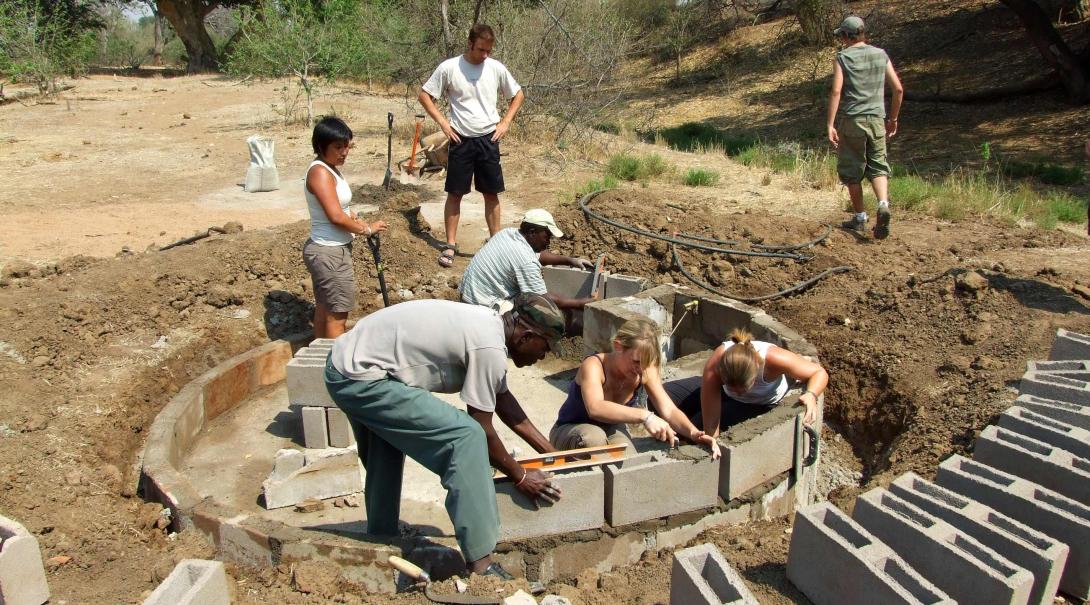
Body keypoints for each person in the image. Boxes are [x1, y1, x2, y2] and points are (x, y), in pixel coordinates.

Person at [325, 293, 566, 578]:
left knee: (385, 449)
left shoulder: (490, 329)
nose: (543, 356)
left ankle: (381, 536)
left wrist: (555, 455)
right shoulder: (489, 346)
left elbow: (505, 403)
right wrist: (521, 476)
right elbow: (483, 430)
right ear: (526, 337)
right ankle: (482, 563)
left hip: (348, 364)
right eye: (546, 347)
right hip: (361, 376)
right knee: (465, 437)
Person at [418, 24, 525, 267]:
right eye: (480, 49)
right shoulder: (449, 67)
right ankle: (450, 245)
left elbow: (517, 94)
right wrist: (443, 123)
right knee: (455, 193)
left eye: (488, 50)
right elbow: (425, 95)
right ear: (469, 43)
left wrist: (506, 122)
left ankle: (495, 245)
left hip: (489, 138)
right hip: (460, 139)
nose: (484, 55)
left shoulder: (496, 68)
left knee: (491, 192)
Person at [549, 318, 720, 459]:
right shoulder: (594, 365)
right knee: (593, 440)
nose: (640, 369)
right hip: (571, 428)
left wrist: (694, 433)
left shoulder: (645, 369)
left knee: (629, 461)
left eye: (645, 363)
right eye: (636, 361)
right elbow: (595, 407)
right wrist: (646, 417)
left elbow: (668, 410)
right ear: (618, 346)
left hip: (610, 427)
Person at [302, 116, 388, 338]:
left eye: (347, 145)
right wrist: (366, 230)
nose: (344, 152)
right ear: (321, 146)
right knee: (337, 316)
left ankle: (320, 363)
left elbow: (342, 207)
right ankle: (335, 367)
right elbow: (335, 216)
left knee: (324, 309)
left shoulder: (329, 168)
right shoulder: (320, 172)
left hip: (330, 249)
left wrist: (357, 218)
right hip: (329, 252)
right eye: (338, 147)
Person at [664, 329, 828, 439]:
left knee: (695, 423)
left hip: (758, 404)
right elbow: (711, 420)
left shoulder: (774, 360)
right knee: (664, 396)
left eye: (743, 388)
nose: (739, 392)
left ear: (754, 375)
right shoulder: (717, 363)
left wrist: (811, 394)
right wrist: (711, 436)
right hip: (723, 393)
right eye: (732, 386)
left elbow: (818, 372)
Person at [827, 15, 904, 240]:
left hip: (853, 120)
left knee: (852, 170)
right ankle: (883, 204)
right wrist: (893, 119)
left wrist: (830, 124)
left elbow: (836, 92)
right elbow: (898, 90)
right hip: (877, 119)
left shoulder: (843, 57)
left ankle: (860, 217)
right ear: (862, 34)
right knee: (878, 165)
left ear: (844, 36)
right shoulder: (881, 55)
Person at [460, 208, 596, 333]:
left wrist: (571, 260)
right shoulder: (526, 260)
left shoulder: (508, 233)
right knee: (548, 317)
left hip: (468, 296)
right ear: (532, 232)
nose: (548, 242)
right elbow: (542, 299)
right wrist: (579, 303)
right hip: (482, 309)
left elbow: (540, 255)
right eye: (546, 236)